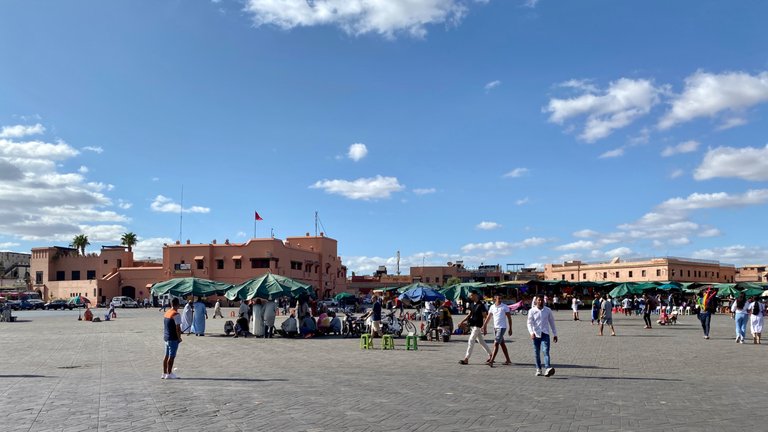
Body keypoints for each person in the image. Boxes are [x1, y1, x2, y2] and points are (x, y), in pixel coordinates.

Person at [458, 292, 492, 365]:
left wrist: (484, 327)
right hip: (473, 325)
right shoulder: (471, 304)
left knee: (471, 340)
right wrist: (462, 321)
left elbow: (485, 316)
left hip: (478, 326)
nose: (470, 296)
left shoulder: (481, 305)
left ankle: (466, 359)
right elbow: (469, 314)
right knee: (481, 341)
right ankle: (491, 355)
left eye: (471, 295)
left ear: (475, 295)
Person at [527, 295, 558, 377]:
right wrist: (531, 333)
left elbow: (552, 322)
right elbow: (529, 323)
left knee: (546, 351)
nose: (540, 302)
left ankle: (547, 368)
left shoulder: (548, 310)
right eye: (539, 300)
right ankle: (538, 369)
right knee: (536, 353)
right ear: (536, 301)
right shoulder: (532, 311)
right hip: (535, 334)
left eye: (542, 300)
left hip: (545, 334)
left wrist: (555, 334)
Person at [482, 294, 513, 366]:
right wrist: (484, 325)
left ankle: (491, 361)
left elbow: (509, 318)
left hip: (502, 327)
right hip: (495, 328)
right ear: (495, 299)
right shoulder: (492, 307)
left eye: (501, 298)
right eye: (498, 298)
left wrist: (510, 328)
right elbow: (488, 317)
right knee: (502, 344)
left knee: (496, 343)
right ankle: (508, 360)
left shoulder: (505, 307)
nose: (500, 299)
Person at [162, 298, 182, 379]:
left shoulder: (167, 312)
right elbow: (178, 328)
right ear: (178, 304)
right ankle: (169, 373)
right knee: (172, 356)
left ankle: (164, 373)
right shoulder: (176, 314)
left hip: (166, 337)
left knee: (166, 355)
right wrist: (179, 337)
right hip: (173, 338)